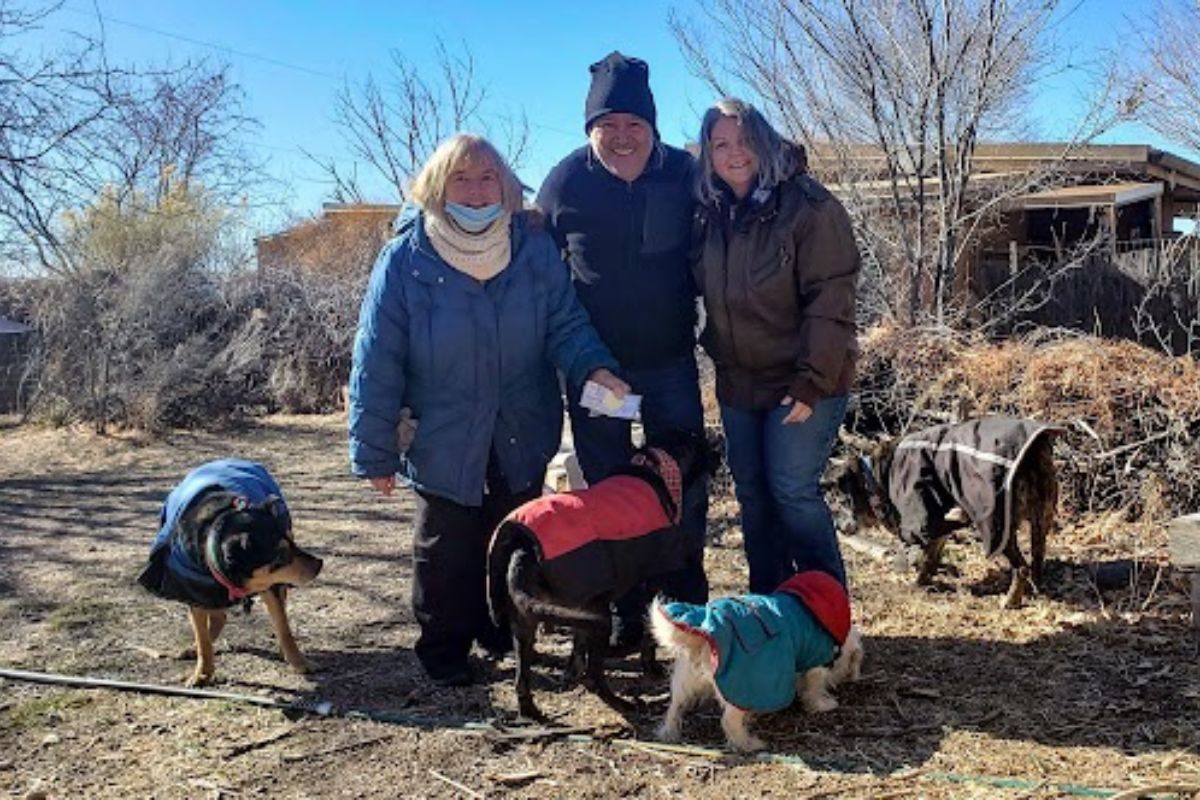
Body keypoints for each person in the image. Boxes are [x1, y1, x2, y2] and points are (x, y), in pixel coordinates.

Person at [348, 133, 629, 687]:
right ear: (435, 187)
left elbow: (565, 325)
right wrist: (375, 448)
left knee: (511, 535)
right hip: (442, 433)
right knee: (445, 548)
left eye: (487, 179)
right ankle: (444, 648)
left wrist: (593, 367)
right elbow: (376, 358)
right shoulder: (404, 260)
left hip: (520, 426)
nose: (476, 193)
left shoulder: (532, 251)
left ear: (505, 187)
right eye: (461, 179)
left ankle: (503, 629)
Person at [537, 52, 709, 647]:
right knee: (609, 491)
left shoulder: (685, 175)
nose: (621, 137)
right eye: (607, 126)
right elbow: (532, 257)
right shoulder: (565, 182)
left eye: (633, 124)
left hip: (669, 365)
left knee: (682, 484)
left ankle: (686, 604)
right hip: (596, 374)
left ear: (653, 127)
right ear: (590, 130)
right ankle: (624, 609)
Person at [691, 98, 859, 593]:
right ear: (708, 155)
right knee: (753, 496)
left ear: (763, 141)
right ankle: (770, 611)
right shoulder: (707, 212)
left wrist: (812, 381)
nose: (734, 153)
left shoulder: (809, 206)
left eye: (743, 140)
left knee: (791, 491)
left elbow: (832, 298)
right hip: (739, 383)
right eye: (720, 144)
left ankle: (828, 615)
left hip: (804, 381)